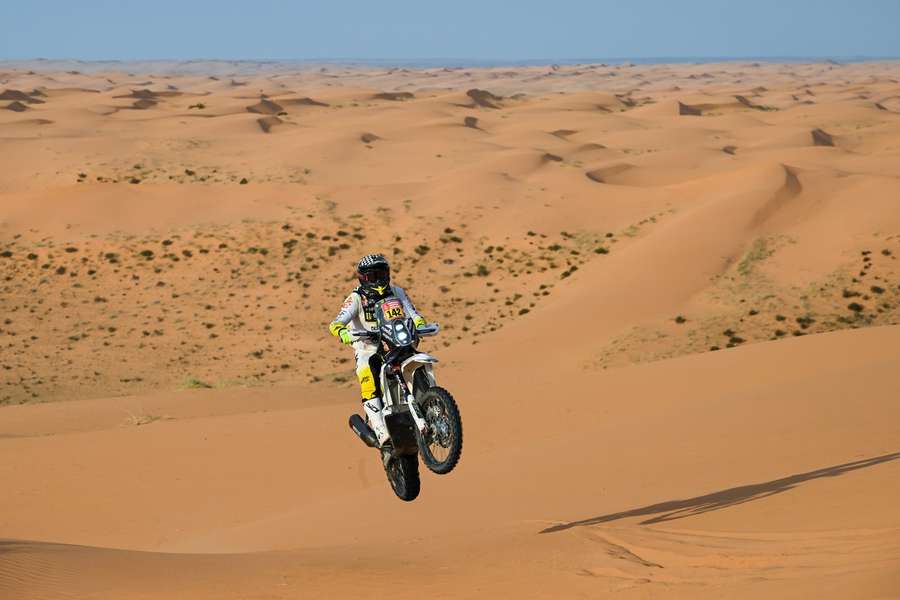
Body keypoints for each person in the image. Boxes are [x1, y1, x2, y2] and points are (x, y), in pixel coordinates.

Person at [328, 254, 427, 446]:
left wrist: (420, 324)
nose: (379, 280)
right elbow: (336, 323)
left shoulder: (397, 292)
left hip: (395, 342)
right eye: (373, 276)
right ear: (364, 278)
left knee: (416, 360)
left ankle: (429, 404)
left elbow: (413, 314)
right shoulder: (356, 298)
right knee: (368, 371)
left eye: (382, 274)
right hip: (367, 346)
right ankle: (381, 430)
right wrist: (343, 332)